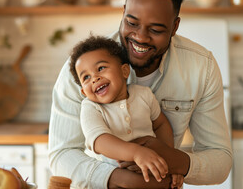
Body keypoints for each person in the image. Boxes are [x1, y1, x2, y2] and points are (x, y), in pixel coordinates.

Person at [48, 0, 232, 189]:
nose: (140, 37)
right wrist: (116, 177)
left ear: (174, 27)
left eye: (155, 29)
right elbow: (60, 155)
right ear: (124, 12)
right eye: (132, 23)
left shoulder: (202, 66)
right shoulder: (82, 69)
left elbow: (220, 160)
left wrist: (176, 162)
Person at [69, 35, 184, 188]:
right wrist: (136, 153)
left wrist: (168, 158)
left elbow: (161, 124)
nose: (95, 78)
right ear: (84, 92)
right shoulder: (91, 108)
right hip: (112, 179)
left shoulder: (144, 95)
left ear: (124, 71)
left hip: (148, 173)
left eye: (101, 68)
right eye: (86, 77)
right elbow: (99, 141)